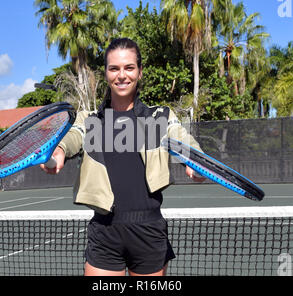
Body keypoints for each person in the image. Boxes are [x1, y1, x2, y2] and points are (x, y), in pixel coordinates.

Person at [41, 38, 204, 276]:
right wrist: (59, 151)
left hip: (148, 230)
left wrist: (196, 161)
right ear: (106, 72)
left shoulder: (160, 117)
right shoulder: (90, 120)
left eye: (129, 67)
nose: (122, 75)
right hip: (104, 232)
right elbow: (72, 137)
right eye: (114, 68)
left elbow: (184, 140)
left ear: (139, 72)